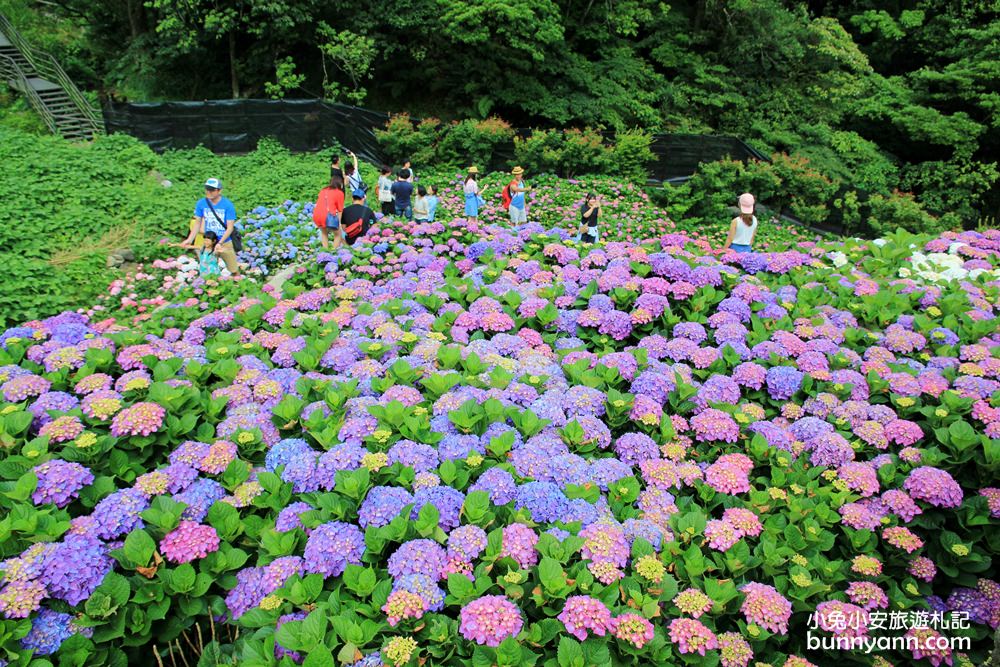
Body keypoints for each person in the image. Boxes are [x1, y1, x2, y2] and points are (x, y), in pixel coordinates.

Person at [181, 178, 240, 274]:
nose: (208, 192)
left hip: (224, 241)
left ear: (219, 191)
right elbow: (197, 223)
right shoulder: (201, 203)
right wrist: (189, 240)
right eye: (207, 189)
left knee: (233, 270)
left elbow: (230, 228)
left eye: (212, 190)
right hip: (209, 242)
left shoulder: (227, 205)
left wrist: (219, 243)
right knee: (208, 270)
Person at [313, 174, 346, 248]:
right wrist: (339, 223)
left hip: (316, 214)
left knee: (324, 233)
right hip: (328, 216)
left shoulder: (323, 190)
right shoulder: (339, 193)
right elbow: (340, 210)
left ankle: (325, 250)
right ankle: (333, 253)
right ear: (340, 183)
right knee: (338, 234)